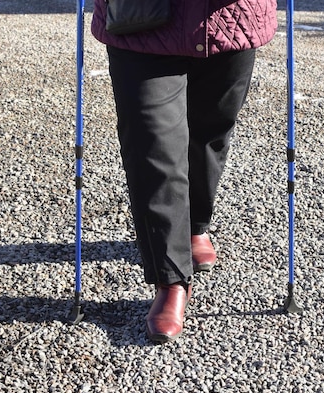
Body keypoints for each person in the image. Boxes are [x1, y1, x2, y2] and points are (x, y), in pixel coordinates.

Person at [91, 0, 278, 343]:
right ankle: (172, 279)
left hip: (230, 15)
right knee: (153, 146)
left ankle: (195, 227)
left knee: (210, 133)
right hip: (140, 19)